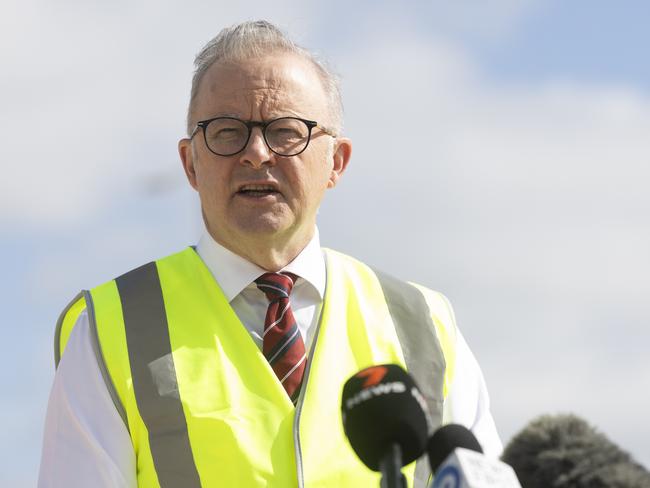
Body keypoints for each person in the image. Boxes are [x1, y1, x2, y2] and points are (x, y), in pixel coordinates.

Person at [38, 20, 502, 488]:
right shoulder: (109, 328)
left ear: (336, 162)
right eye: (225, 131)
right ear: (189, 163)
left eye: (285, 132)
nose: (257, 154)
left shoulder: (425, 326)